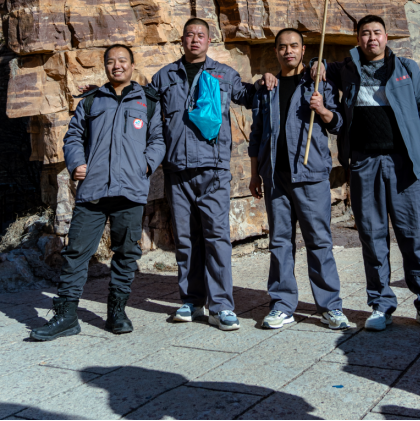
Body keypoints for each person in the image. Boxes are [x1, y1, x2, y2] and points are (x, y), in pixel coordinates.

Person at [312, 15, 420, 332]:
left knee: (415, 236)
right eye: (365, 33)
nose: (371, 38)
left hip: (406, 163)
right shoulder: (346, 69)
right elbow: (315, 64)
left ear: (386, 37)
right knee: (372, 236)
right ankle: (380, 305)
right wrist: (315, 63)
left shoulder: (407, 68)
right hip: (364, 163)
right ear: (357, 38)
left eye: (377, 32)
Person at [31, 45, 166, 342]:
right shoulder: (91, 101)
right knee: (76, 252)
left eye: (122, 60)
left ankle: (117, 311)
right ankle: (66, 315)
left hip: (129, 190)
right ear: (105, 66)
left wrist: (146, 164)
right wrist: (76, 162)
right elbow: (73, 136)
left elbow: (158, 139)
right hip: (93, 190)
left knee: (126, 252)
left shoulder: (148, 101)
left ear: (132, 65)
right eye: (111, 61)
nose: (117, 66)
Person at [150, 18, 275, 332]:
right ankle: (192, 301)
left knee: (217, 238)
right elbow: (142, 106)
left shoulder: (223, 74)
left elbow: (249, 96)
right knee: (186, 239)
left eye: (201, 35)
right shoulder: (164, 76)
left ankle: (221, 306)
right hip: (177, 170)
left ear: (209, 41)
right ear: (182, 40)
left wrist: (264, 81)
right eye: (190, 35)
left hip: (214, 170)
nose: (195, 39)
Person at [249, 28, 350, 331]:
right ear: (276, 51)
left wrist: (323, 110)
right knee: (280, 242)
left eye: (294, 46)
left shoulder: (318, 82)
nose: (288, 51)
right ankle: (282, 305)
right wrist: (255, 173)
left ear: (303, 50)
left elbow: (338, 123)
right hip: (275, 177)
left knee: (319, 241)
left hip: (310, 175)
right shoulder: (268, 87)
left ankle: (330, 307)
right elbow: (257, 134)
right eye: (282, 47)